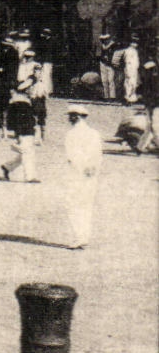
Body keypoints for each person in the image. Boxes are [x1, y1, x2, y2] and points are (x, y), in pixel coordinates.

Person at [61, 106, 101, 249]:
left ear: (76, 117)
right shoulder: (94, 133)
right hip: (91, 174)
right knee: (86, 205)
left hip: (76, 173)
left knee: (72, 204)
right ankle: (84, 236)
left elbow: (71, 156)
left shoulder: (71, 134)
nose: (69, 119)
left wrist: (80, 169)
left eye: (70, 116)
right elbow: (98, 155)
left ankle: (79, 237)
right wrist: (92, 169)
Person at [1, 71, 40, 183]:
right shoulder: (20, 103)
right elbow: (15, 121)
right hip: (23, 131)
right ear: (27, 89)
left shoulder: (24, 101)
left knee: (26, 152)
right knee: (28, 153)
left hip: (28, 130)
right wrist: (17, 134)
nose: (33, 90)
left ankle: (7, 167)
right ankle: (30, 177)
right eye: (32, 88)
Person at [97, 34, 119, 100]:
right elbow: (100, 54)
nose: (104, 41)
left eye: (106, 39)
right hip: (103, 63)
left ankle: (112, 96)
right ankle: (106, 96)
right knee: (104, 80)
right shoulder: (102, 46)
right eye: (103, 40)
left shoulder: (113, 46)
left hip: (110, 64)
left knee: (111, 80)